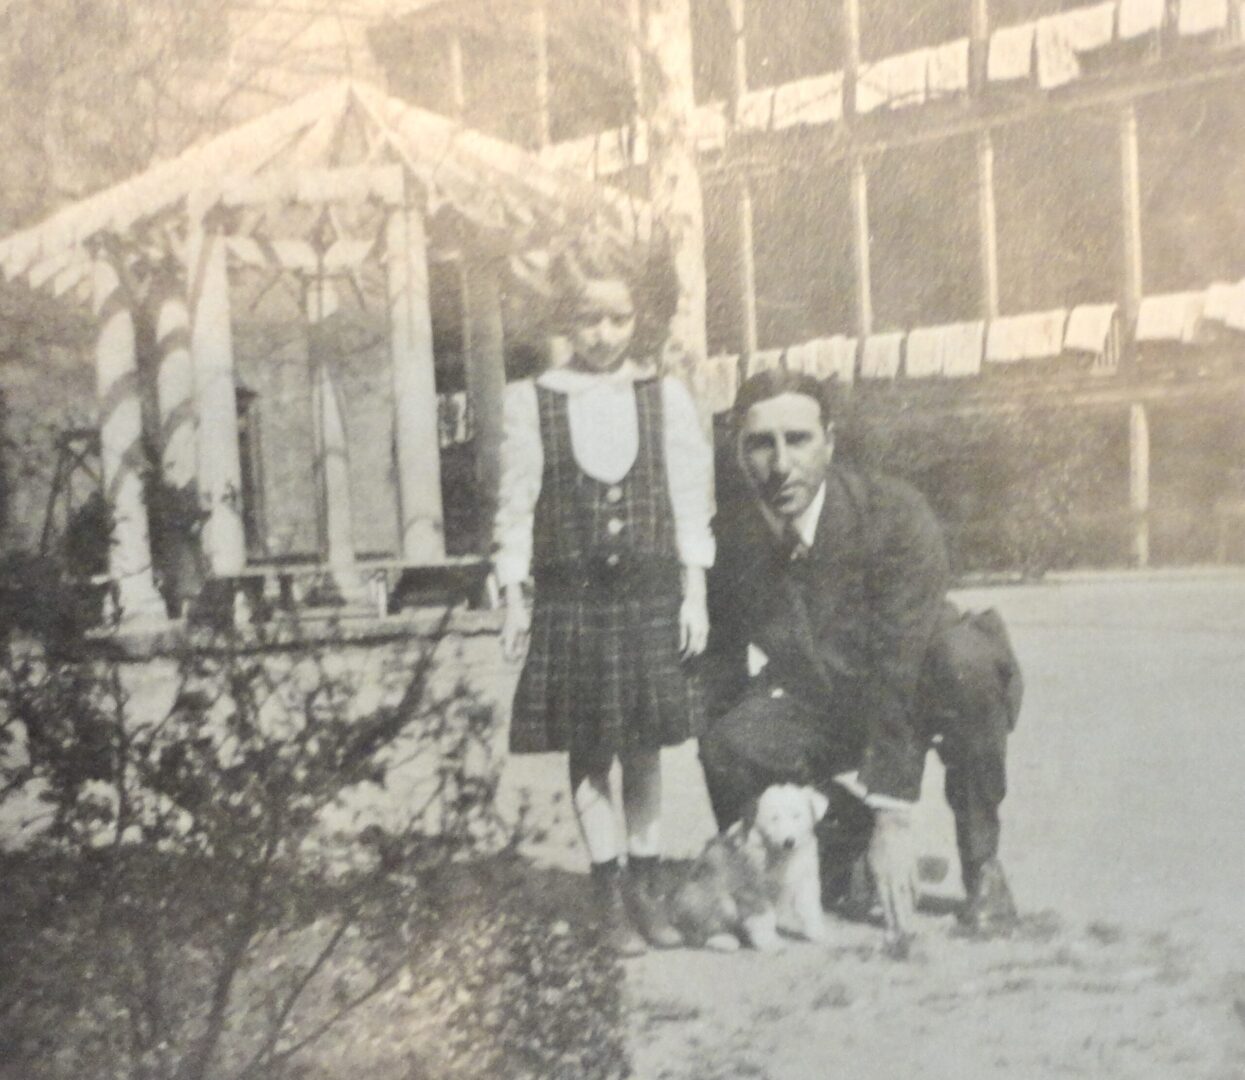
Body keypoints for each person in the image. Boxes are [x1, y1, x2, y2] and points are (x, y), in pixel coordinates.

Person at [698, 369, 1023, 951]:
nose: (780, 464)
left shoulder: (895, 513)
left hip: (922, 685)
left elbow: (897, 671)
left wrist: (893, 815)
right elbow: (718, 671)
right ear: (738, 451)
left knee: (969, 664)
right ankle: (843, 855)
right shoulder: (730, 538)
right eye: (759, 444)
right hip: (823, 702)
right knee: (729, 738)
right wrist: (736, 827)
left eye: (797, 439)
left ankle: (983, 870)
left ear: (830, 440)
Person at [493, 241, 714, 956]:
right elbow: (516, 505)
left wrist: (694, 595)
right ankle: (609, 896)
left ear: (636, 319)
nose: (603, 335)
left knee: (645, 748)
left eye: (617, 318)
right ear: (568, 318)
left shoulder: (663, 397)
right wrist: (514, 597)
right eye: (588, 318)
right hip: (573, 600)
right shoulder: (533, 402)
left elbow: (687, 499)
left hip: (648, 595)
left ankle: (648, 892)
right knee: (589, 752)